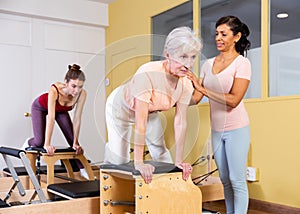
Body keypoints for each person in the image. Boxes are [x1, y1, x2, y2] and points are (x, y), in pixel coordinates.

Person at [104, 26, 202, 184]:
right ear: (168, 55)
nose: (188, 64)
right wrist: (139, 163)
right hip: (120, 108)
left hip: (150, 112)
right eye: (183, 57)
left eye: (193, 57)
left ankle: (166, 190)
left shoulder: (186, 83)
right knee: (119, 158)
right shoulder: (148, 73)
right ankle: (110, 154)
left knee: (162, 153)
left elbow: (180, 121)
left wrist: (179, 161)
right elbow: (140, 123)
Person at [187, 16, 251, 214]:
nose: (218, 38)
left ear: (236, 37)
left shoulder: (242, 63)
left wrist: (204, 89)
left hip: (237, 129)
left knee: (237, 180)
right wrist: (169, 100)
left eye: (224, 34)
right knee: (224, 179)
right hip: (217, 130)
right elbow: (195, 98)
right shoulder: (208, 65)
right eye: (217, 34)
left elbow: (233, 100)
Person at [22, 64, 89, 179]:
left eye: (80, 87)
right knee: (39, 143)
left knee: (73, 141)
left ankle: (82, 169)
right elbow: (51, 119)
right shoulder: (55, 89)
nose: (77, 90)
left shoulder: (82, 94)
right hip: (40, 107)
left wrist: (75, 141)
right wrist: (47, 144)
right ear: (66, 82)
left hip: (61, 110)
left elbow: (77, 118)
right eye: (73, 86)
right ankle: (29, 142)